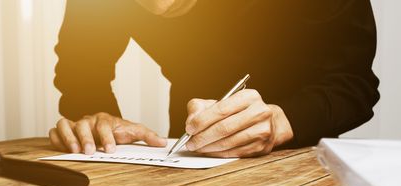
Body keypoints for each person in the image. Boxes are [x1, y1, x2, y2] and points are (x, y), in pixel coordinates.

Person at [49, 0, 379, 158]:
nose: (160, 7)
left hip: (300, 154)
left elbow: (354, 82)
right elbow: (80, 71)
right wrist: (98, 117)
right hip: (193, 151)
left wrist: (283, 120)